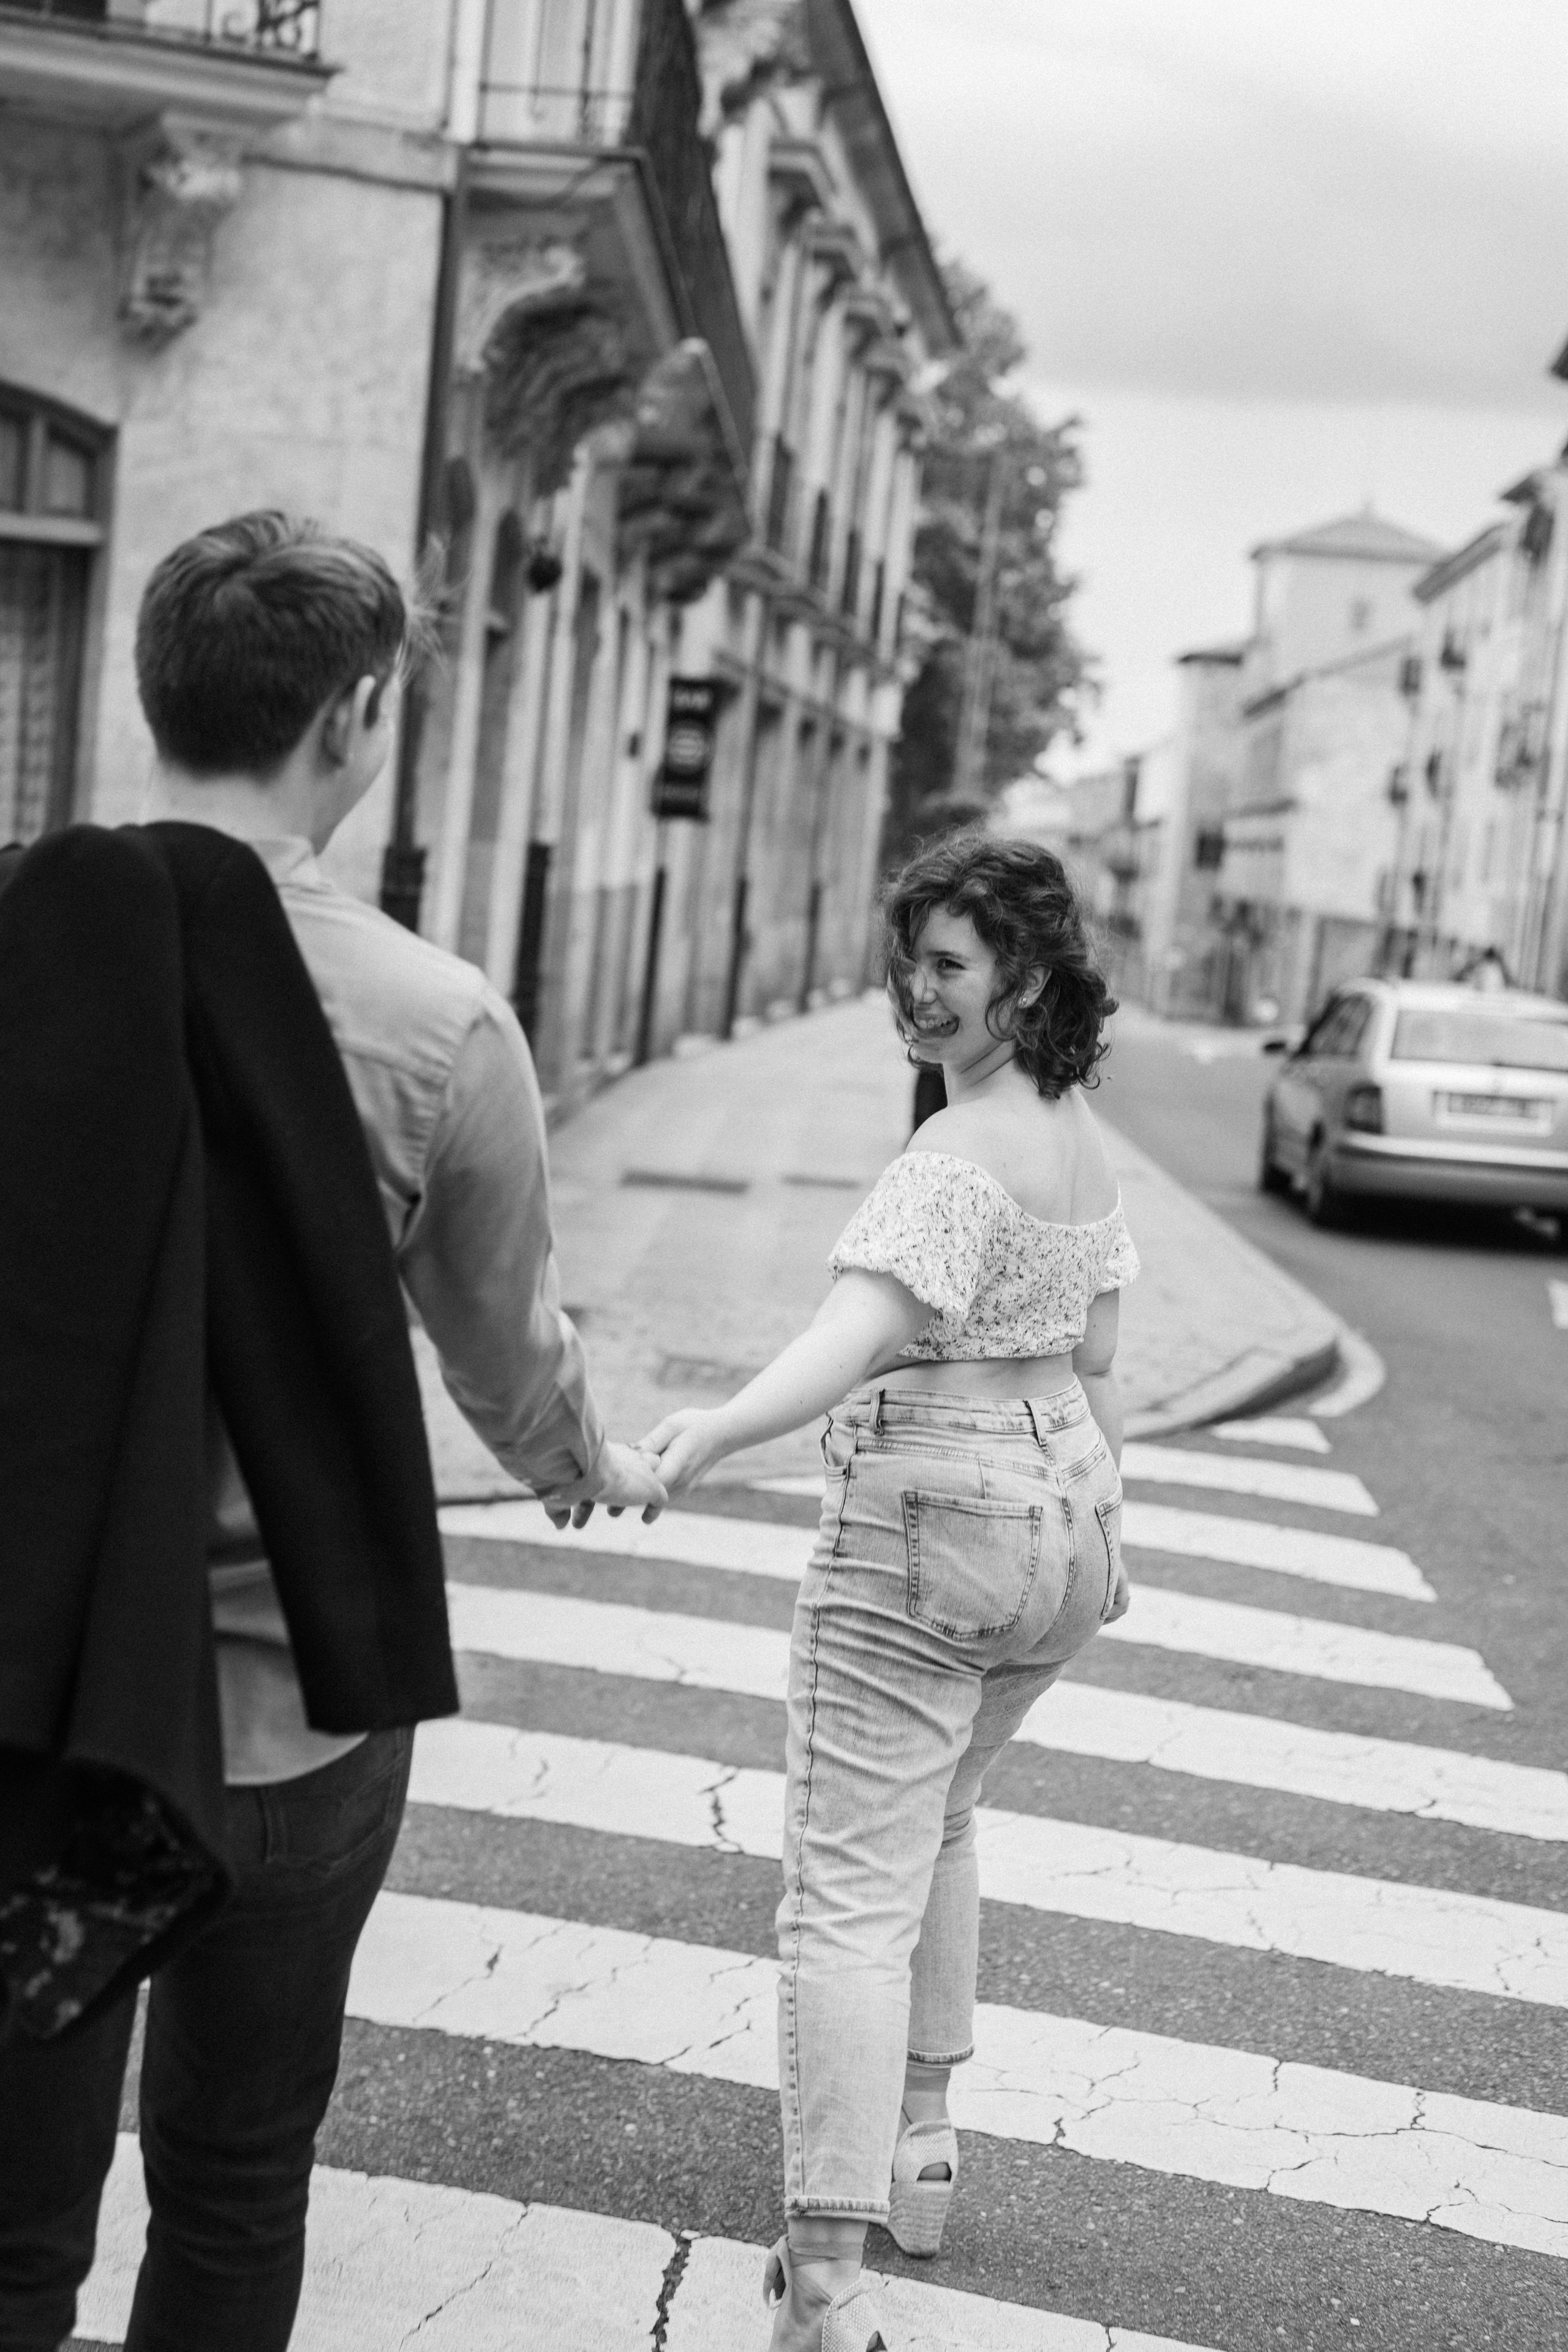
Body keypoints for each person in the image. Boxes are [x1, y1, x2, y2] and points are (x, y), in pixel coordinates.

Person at [0, 512, 664, 2352]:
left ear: (151, 682)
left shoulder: (14, 936)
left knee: (5, 2222)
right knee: (232, 2181)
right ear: (357, 715)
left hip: (33, 1699)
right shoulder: (437, 1023)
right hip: (282, 1718)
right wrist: (580, 1461)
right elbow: (502, 1345)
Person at [641, 832, 1138, 2352]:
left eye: (948, 967)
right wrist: (1098, 1523)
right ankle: (920, 2143)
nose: (913, 993)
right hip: (1060, 1511)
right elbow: (1099, 1357)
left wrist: (711, 1432)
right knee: (944, 1821)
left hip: (933, 1517)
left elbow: (852, 1333)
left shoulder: (953, 1153)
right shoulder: (1074, 1134)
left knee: (846, 1900)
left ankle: (826, 2283)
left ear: (1025, 982)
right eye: (905, 961)